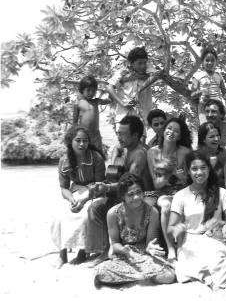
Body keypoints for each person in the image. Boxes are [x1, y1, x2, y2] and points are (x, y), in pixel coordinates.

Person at [87, 115, 153, 265]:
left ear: (136, 135)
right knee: (94, 206)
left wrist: (107, 188)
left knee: (97, 208)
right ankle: (101, 248)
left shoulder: (140, 154)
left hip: (140, 196)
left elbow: (131, 183)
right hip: (127, 194)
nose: (119, 137)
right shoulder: (128, 149)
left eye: (123, 134)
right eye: (118, 133)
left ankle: (105, 251)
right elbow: (118, 174)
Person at [94, 173, 175, 287]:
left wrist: (150, 248)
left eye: (139, 192)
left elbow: (150, 242)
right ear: (123, 196)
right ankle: (142, 277)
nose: (136, 197)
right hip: (124, 256)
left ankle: (133, 277)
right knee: (100, 273)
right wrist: (123, 250)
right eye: (130, 194)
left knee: (168, 276)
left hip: (145, 255)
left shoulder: (152, 212)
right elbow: (115, 243)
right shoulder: (113, 214)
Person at [167, 150, 226, 284]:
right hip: (190, 241)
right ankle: (205, 276)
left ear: (209, 169)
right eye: (194, 169)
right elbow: (170, 228)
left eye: (203, 167)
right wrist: (177, 228)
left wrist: (219, 223)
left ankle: (208, 276)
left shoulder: (222, 193)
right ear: (188, 171)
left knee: (217, 260)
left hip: (215, 239)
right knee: (184, 272)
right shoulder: (181, 195)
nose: (199, 172)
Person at [51, 126, 107, 268]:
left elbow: (100, 185)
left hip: (95, 191)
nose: (82, 144)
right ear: (71, 142)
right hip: (75, 191)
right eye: (78, 141)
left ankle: (82, 252)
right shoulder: (64, 161)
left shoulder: (96, 157)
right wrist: (72, 199)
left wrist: (84, 200)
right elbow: (64, 188)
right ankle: (62, 254)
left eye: (85, 141)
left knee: (85, 214)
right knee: (59, 215)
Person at [147, 117, 192, 255]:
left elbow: (188, 181)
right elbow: (157, 184)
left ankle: (182, 247)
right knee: (166, 206)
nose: (171, 132)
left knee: (183, 206)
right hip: (163, 192)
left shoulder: (185, 152)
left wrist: (180, 176)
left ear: (180, 136)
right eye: (169, 128)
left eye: (176, 131)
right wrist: (169, 171)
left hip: (182, 190)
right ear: (164, 130)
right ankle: (171, 248)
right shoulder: (152, 152)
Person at [107, 47, 162, 127]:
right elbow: (109, 87)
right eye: (139, 63)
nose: (143, 66)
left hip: (141, 119)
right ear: (131, 63)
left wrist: (136, 77)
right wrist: (123, 103)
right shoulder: (122, 72)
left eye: (145, 62)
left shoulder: (148, 71)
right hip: (123, 117)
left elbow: (157, 75)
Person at [72, 75, 112, 152]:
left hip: (96, 135)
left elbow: (110, 100)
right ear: (82, 90)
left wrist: (111, 87)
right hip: (84, 136)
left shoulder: (96, 101)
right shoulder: (78, 104)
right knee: (84, 156)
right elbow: (74, 123)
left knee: (98, 155)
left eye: (93, 91)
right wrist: (75, 137)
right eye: (88, 90)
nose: (91, 93)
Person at [190, 47, 226, 124]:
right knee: (207, 129)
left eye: (212, 60)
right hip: (204, 107)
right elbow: (192, 95)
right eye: (207, 60)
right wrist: (201, 92)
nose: (210, 63)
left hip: (218, 106)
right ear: (202, 62)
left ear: (216, 61)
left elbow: (224, 92)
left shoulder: (219, 75)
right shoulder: (197, 75)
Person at [197, 122, 226, 191]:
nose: (216, 139)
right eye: (211, 136)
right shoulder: (197, 155)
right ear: (203, 139)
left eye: (217, 135)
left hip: (222, 192)